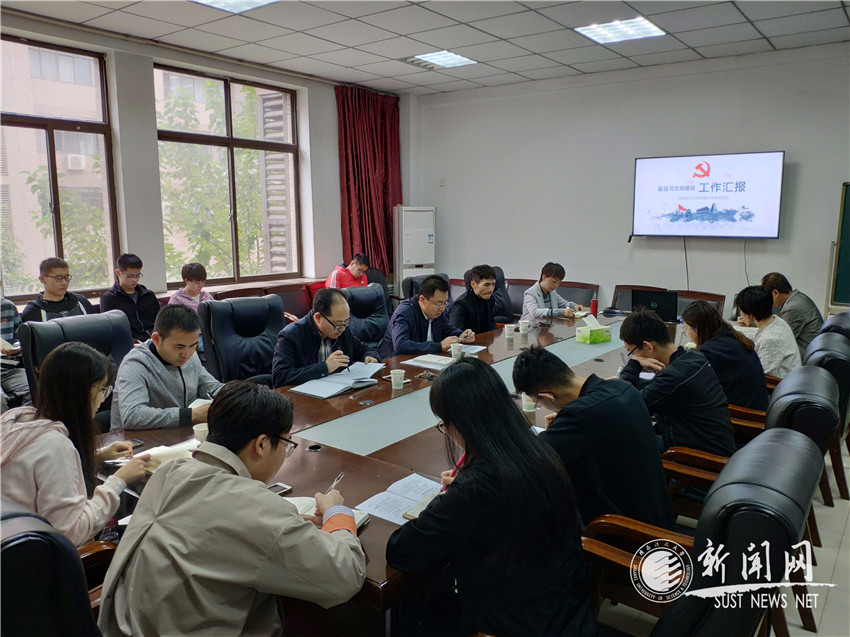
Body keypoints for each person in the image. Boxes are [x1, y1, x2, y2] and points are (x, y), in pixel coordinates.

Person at [98, 381, 366, 637]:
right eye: (286, 445)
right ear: (261, 445)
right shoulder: (256, 507)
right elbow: (345, 576)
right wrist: (336, 513)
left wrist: (285, 524)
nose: (285, 453)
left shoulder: (169, 472)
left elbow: (210, 527)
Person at [386, 357, 595, 637]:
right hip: (567, 612)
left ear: (461, 423)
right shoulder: (540, 451)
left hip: (516, 624)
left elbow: (402, 550)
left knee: (419, 616)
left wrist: (450, 495)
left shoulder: (476, 487)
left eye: (445, 424)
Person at [0, 342, 153, 546]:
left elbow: (31, 468)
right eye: (102, 390)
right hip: (40, 555)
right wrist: (118, 481)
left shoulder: (14, 418)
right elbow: (72, 533)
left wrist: (96, 456)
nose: (103, 399)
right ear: (81, 392)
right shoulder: (55, 446)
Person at [512, 347, 675, 529]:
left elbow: (527, 461)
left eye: (538, 402)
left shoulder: (579, 417)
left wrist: (560, 429)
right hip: (657, 514)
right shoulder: (623, 388)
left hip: (624, 532)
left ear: (547, 396)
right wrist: (562, 428)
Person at [619, 309, 736, 457]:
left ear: (648, 346)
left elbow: (624, 407)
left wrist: (633, 365)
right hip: (714, 448)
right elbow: (657, 390)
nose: (634, 357)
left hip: (697, 460)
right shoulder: (693, 357)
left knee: (615, 441)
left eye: (632, 352)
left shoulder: (673, 377)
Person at [111, 306, 223, 430]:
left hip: (178, 434)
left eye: (193, 345)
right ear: (156, 339)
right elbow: (132, 416)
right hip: (134, 440)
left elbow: (211, 387)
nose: (187, 354)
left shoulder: (190, 355)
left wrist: (235, 395)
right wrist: (192, 415)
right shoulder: (135, 364)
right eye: (179, 347)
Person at [271, 288, 380, 388]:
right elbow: (280, 377)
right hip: (306, 397)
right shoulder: (291, 336)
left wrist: (371, 356)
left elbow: (363, 349)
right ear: (318, 318)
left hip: (339, 392)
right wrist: (325, 367)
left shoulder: (342, 330)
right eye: (338, 324)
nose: (342, 329)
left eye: (346, 322)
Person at [682, 300, 769, 410]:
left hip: (742, 415)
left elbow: (691, 385)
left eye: (686, 328)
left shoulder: (711, 352)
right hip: (753, 406)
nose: (686, 333)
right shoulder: (729, 337)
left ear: (697, 328)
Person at [380, 275, 474, 359]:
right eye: (439, 303)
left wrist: (462, 335)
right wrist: (439, 346)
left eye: (445, 303)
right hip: (396, 363)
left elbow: (448, 329)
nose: (442, 309)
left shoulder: (437, 313)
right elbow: (401, 345)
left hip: (425, 360)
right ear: (422, 299)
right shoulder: (405, 312)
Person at [735, 286, 801, 379]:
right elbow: (757, 337)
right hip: (783, 379)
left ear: (750, 315)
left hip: (777, 385)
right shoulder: (776, 321)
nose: (740, 313)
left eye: (741, 310)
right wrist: (734, 333)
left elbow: (761, 376)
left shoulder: (770, 339)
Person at [759, 272, 824, 359]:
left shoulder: (793, 307)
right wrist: (753, 322)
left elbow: (779, 339)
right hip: (807, 350)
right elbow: (775, 324)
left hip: (804, 356)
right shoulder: (796, 298)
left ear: (775, 293)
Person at [99, 253, 160, 342]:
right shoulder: (108, 299)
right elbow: (110, 329)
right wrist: (132, 343)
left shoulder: (148, 295)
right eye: (130, 276)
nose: (134, 280)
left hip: (155, 340)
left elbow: (160, 321)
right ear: (118, 273)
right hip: (129, 343)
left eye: (138, 276)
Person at [20, 257, 95, 323]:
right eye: (58, 278)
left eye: (66, 277)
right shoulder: (33, 311)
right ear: (42, 279)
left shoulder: (81, 302)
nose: (64, 283)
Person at [448, 264, 498, 333]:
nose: (491, 289)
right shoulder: (460, 305)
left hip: (485, 338)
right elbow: (456, 333)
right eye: (487, 285)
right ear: (473, 284)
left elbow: (491, 324)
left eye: (493, 284)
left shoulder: (490, 299)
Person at [1, 298, 31, 412]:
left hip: (9, 368)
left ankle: (22, 422)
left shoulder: (7, 306)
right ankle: (6, 423)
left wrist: (16, 348)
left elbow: (19, 338)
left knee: (37, 390)